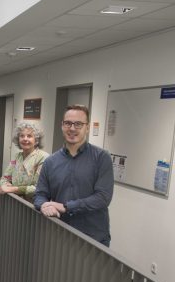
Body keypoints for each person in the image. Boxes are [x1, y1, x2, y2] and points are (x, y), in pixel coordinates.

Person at [33, 105, 114, 246]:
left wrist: (67, 206)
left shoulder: (102, 158)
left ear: (87, 127)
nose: (72, 128)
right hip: (58, 234)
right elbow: (40, 194)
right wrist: (44, 205)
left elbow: (102, 198)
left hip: (93, 238)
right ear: (62, 126)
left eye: (78, 124)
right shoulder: (50, 162)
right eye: (68, 123)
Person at [0, 122, 49, 199]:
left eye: (29, 136)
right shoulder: (17, 157)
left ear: (36, 140)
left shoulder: (43, 158)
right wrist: (4, 186)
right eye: (22, 136)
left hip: (33, 206)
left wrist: (13, 189)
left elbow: (38, 188)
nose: (25, 139)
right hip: (15, 202)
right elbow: (4, 178)